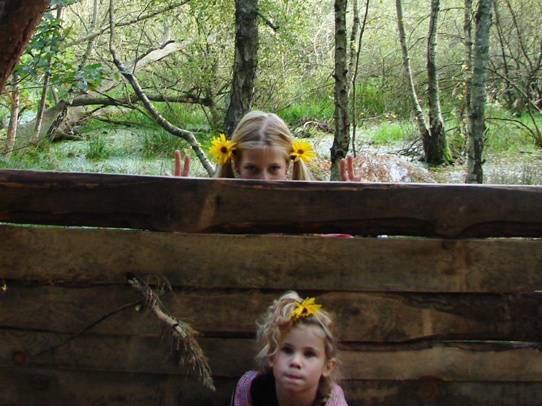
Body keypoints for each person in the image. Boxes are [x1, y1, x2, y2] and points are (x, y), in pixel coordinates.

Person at [166, 110, 362, 182]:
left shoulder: (305, 208)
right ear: (236, 164)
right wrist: (181, 198)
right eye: (252, 169)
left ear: (287, 165)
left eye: (274, 168)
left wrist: (349, 204)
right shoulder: (215, 206)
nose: (264, 179)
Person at [231, 291, 348, 406]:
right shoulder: (250, 389)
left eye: (309, 354)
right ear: (271, 356)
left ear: (327, 367)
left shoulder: (334, 403)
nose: (295, 362)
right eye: (287, 350)